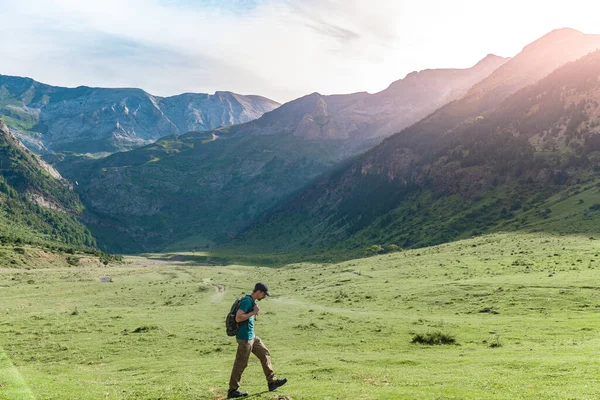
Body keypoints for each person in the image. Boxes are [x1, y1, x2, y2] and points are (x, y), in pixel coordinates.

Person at [227, 282, 287, 399]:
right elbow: (238, 318)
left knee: (265, 353)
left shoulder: (251, 301)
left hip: (252, 336)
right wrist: (253, 312)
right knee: (241, 363)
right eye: (264, 294)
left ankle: (272, 382)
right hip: (244, 338)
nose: (264, 297)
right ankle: (233, 390)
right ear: (259, 292)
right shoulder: (247, 301)